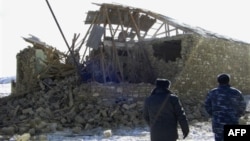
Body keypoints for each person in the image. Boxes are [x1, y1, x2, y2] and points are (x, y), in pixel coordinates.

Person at [205, 73, 246, 141]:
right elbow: (242, 105)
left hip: (218, 123)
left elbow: (207, 105)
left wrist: (214, 114)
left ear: (218, 81)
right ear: (228, 81)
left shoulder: (212, 93)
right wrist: (237, 115)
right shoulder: (236, 92)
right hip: (232, 121)